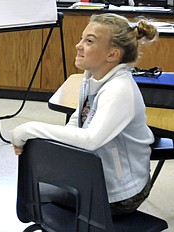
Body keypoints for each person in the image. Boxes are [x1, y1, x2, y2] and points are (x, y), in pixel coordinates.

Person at [12, 13, 157, 215]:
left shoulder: (118, 89)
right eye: (82, 38)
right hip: (95, 177)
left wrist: (28, 129)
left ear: (112, 55)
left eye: (89, 41)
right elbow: (78, 119)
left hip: (122, 194)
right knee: (40, 187)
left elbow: (90, 140)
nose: (78, 45)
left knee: (39, 192)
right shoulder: (93, 75)